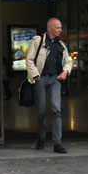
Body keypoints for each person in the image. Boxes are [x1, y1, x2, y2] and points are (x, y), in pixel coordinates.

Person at [25, 17, 73, 154]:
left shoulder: (61, 45)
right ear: (50, 28)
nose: (60, 30)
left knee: (56, 110)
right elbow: (29, 60)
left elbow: (68, 62)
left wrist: (65, 72)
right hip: (41, 79)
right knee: (41, 111)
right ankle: (40, 138)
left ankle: (57, 143)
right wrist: (36, 76)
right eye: (58, 27)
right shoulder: (38, 41)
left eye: (60, 27)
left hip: (55, 80)